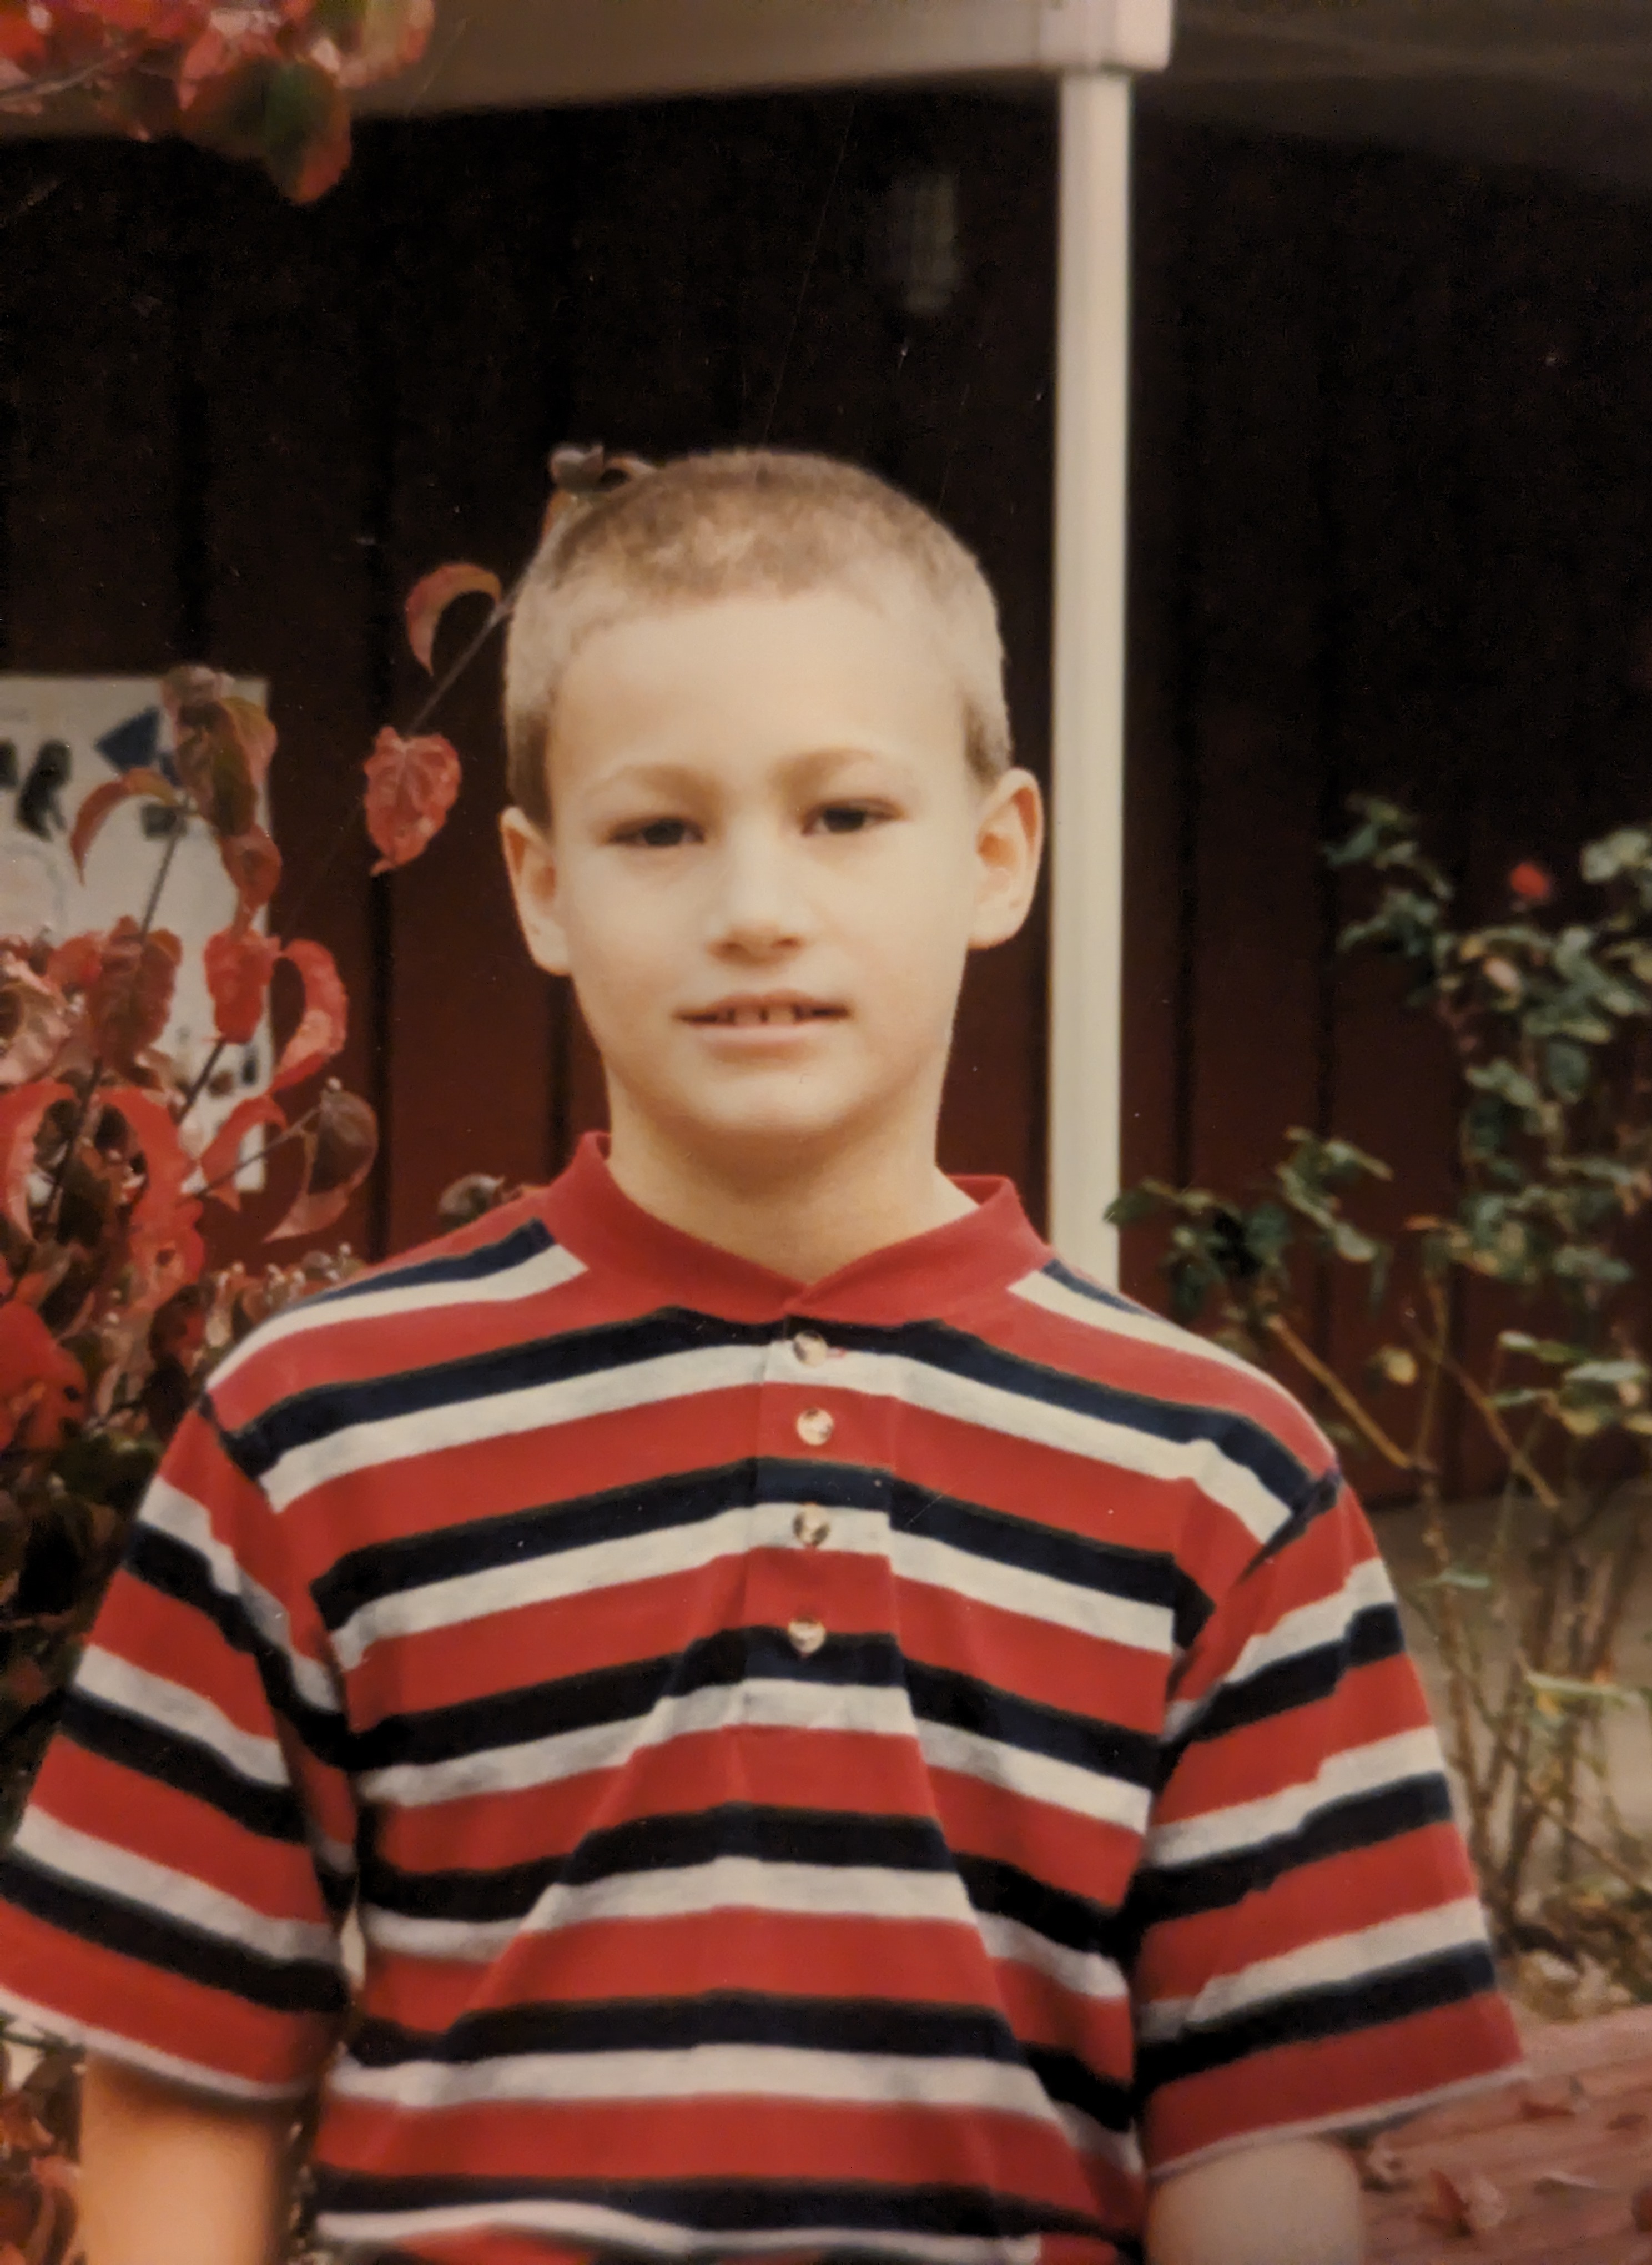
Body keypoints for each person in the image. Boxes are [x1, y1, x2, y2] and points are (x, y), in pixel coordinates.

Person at [0, 447, 1522, 2265]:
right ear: (542, 886)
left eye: (844, 815)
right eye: (660, 830)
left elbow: (1262, 2157)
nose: (754, 908)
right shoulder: (308, 1438)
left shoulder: (1225, 1482)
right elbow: (185, 2090)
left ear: (997, 854)